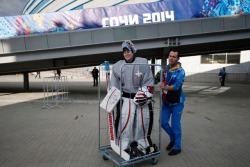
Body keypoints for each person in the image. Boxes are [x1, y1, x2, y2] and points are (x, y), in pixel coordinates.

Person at [110, 40, 157, 158]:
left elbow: (148, 81)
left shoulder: (143, 63)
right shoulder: (117, 66)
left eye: (129, 51)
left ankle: (142, 143)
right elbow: (114, 84)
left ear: (133, 52)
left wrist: (144, 94)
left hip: (141, 98)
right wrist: (112, 99)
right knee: (125, 122)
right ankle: (123, 144)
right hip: (125, 98)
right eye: (125, 52)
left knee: (142, 121)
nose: (127, 53)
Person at [158, 49, 185, 156]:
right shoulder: (164, 69)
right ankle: (173, 138)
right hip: (166, 101)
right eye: (170, 56)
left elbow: (176, 86)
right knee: (163, 122)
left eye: (173, 57)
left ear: (178, 58)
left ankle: (177, 147)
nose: (171, 58)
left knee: (175, 125)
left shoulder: (181, 71)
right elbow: (156, 79)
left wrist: (164, 86)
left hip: (177, 102)